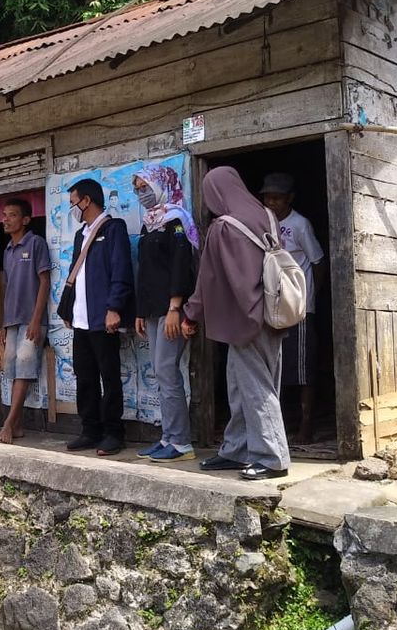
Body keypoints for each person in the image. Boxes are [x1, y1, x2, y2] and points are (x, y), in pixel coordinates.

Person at [181, 166, 291, 481]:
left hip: (245, 317)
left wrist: (191, 313)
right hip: (272, 311)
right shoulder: (267, 216)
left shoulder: (223, 227)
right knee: (241, 385)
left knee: (256, 387)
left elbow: (207, 280)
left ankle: (272, 457)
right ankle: (237, 449)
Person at [58, 178, 134, 456]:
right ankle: (90, 430)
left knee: (109, 377)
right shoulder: (81, 235)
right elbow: (74, 274)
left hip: (103, 319)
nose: (73, 209)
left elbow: (121, 270)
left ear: (86, 201)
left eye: (74, 203)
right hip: (80, 321)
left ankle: (114, 433)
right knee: (85, 376)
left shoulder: (114, 229)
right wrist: (70, 310)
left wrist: (114, 307)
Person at [132, 166, 198, 463]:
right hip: (153, 311)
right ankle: (167, 437)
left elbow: (182, 265)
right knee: (161, 372)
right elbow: (146, 272)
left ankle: (182, 443)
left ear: (161, 185)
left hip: (172, 309)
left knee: (167, 371)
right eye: (137, 188)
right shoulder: (149, 223)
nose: (140, 193)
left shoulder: (176, 221)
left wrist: (175, 307)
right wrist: (140, 312)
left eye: (144, 185)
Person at [259, 173, 326, 445]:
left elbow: (319, 262)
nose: (271, 202)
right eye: (266, 197)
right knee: (277, 366)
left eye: (276, 197)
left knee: (303, 369)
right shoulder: (264, 223)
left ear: (290, 198)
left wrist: (309, 297)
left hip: (297, 308)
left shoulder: (300, 225)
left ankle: (306, 426)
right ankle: (282, 424)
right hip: (272, 307)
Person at [0, 198, 52, 444]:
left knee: (24, 371)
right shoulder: (7, 250)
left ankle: (8, 424)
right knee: (12, 370)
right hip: (13, 321)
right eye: (4, 215)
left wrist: (36, 321)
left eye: (12, 215)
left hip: (31, 320)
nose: (5, 219)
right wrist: (4, 325)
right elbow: (8, 289)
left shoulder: (35, 243)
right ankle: (16, 426)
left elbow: (44, 282)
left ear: (26, 220)